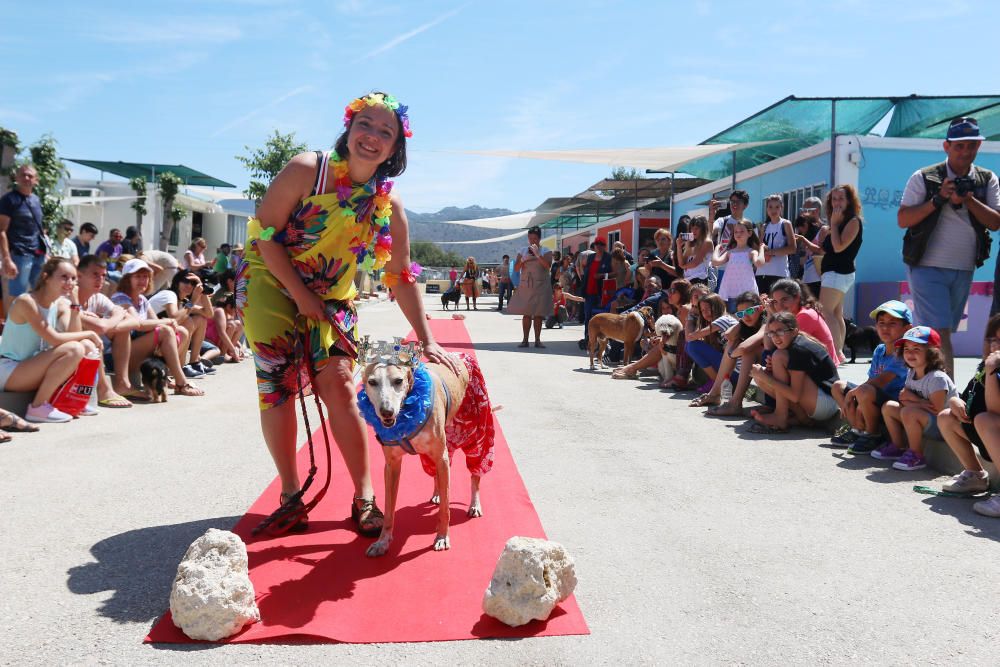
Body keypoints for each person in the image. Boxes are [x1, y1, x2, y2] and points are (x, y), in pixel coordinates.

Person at [238, 91, 456, 537]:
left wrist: (428, 338)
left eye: (385, 132)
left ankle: (364, 498)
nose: (372, 137)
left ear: (397, 148)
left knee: (339, 383)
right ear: (348, 128)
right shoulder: (307, 170)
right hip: (271, 281)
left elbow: (400, 277)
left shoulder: (388, 206)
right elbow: (264, 235)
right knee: (277, 386)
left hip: (333, 295)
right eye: (365, 125)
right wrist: (299, 295)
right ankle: (291, 494)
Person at [897, 116, 1000, 378]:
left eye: (971, 145)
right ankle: (947, 400)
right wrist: (939, 198)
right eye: (959, 146)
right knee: (940, 332)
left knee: (941, 333)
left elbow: (995, 222)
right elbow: (903, 219)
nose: (965, 151)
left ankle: (921, 386)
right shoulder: (924, 177)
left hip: (964, 267)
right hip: (926, 265)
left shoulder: (986, 179)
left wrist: (968, 200)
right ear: (946, 147)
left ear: (978, 145)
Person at [0, 258, 105, 424]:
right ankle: (38, 408)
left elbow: (74, 333)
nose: (70, 282)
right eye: (64, 277)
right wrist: (90, 333)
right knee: (75, 349)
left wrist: (75, 304)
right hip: (10, 370)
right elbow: (54, 339)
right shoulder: (26, 302)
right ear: (46, 277)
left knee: (85, 346)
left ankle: (69, 401)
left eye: (73, 278)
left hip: (33, 366)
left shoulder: (59, 304)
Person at [111, 258, 204, 398]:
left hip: (137, 348)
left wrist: (200, 294)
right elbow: (139, 324)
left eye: (145, 277)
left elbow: (208, 314)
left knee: (182, 331)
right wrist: (188, 305)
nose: (143, 280)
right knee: (167, 330)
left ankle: (163, 376)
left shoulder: (142, 300)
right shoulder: (121, 298)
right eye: (137, 276)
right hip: (118, 356)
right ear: (126, 279)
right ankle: (181, 382)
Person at [830, 300, 912, 454]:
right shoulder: (880, 350)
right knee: (838, 386)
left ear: (907, 328)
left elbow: (881, 381)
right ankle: (857, 429)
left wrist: (854, 394)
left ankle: (873, 434)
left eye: (892, 323)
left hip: (892, 402)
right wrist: (855, 396)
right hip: (874, 397)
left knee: (863, 391)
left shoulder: (904, 353)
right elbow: (871, 379)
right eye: (881, 323)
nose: (885, 327)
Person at [937, 314, 1000, 501]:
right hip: (989, 436)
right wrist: (955, 402)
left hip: (993, 430)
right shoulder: (986, 366)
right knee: (946, 417)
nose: (995, 345)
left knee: (984, 419)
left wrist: (992, 371)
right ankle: (976, 476)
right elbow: (970, 396)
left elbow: (995, 411)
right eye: (992, 339)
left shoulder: (992, 368)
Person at [798, 185, 864, 363]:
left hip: (838, 272)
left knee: (826, 312)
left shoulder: (852, 221)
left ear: (849, 201)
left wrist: (833, 225)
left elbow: (839, 246)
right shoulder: (839, 222)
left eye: (841, 198)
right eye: (834, 199)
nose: (837, 203)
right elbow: (825, 249)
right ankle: (839, 353)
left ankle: (835, 354)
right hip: (833, 273)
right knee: (835, 313)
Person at [876, 326, 957, 471]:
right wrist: (915, 402)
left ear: (932, 353)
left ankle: (917, 455)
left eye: (917, 349)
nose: (910, 353)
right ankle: (898, 446)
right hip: (922, 418)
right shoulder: (912, 372)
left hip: (943, 427)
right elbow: (903, 398)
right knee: (889, 407)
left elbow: (936, 409)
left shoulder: (937, 378)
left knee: (909, 412)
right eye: (906, 349)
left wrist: (914, 400)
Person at [748, 311, 841, 434]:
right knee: (761, 375)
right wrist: (770, 371)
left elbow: (794, 395)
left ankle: (780, 418)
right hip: (817, 402)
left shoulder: (799, 348)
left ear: (794, 331)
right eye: (772, 333)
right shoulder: (791, 344)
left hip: (826, 403)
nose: (775, 337)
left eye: (780, 331)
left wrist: (766, 377)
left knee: (771, 366)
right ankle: (802, 417)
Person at [74, 255, 139, 408]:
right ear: (79, 276)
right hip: (67, 351)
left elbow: (134, 321)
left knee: (120, 330)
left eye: (103, 275)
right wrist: (109, 321)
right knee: (93, 335)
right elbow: (101, 328)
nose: (100, 279)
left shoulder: (98, 298)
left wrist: (105, 323)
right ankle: (103, 390)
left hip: (89, 351)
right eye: (95, 274)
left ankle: (122, 383)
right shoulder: (68, 297)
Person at [701, 292, 767, 417]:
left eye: (749, 311)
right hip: (764, 369)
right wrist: (741, 320)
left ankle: (735, 403)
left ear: (760, 308)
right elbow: (728, 335)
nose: (746, 317)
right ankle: (715, 393)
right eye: (741, 313)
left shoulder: (766, 320)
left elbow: (746, 347)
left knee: (747, 351)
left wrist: (732, 354)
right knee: (732, 342)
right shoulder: (746, 323)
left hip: (779, 369)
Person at [0, 165, 49, 307]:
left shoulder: (36, 200)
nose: (26, 178)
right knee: (17, 295)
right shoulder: (9, 200)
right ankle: (11, 327)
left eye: (30, 176)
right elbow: (1, 230)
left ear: (36, 180)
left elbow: (38, 229)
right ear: (16, 178)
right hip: (19, 255)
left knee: (40, 292)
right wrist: (7, 259)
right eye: (23, 175)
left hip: (38, 254)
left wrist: (46, 252)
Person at [508, 225, 554, 348]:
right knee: (526, 313)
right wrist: (523, 259)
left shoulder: (546, 251)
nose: (532, 240)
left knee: (538, 314)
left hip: (541, 285)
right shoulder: (522, 251)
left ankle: (538, 340)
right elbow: (516, 268)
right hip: (526, 285)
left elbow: (548, 266)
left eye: (534, 238)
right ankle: (525, 340)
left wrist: (538, 255)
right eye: (530, 238)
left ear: (539, 239)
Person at [685, 294, 736, 402]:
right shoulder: (716, 323)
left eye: (709, 308)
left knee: (692, 346)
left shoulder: (724, 319)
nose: (706, 312)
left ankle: (717, 385)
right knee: (690, 346)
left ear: (718, 306)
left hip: (737, 371)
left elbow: (690, 337)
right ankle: (718, 385)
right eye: (702, 310)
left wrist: (689, 318)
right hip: (730, 369)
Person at [712, 220, 764, 312]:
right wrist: (716, 249)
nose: (738, 234)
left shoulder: (751, 252)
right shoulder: (730, 252)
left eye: (742, 231)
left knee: (747, 317)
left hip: (747, 293)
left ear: (749, 233)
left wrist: (761, 248)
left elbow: (759, 263)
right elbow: (715, 262)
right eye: (736, 232)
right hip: (731, 292)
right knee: (732, 318)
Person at [755, 194, 795, 294]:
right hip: (762, 272)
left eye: (777, 207)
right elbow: (759, 247)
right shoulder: (764, 226)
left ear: (781, 208)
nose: (773, 210)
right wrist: (763, 252)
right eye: (770, 207)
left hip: (779, 273)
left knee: (778, 306)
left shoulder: (785, 224)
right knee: (763, 307)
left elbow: (793, 248)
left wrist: (771, 252)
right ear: (767, 209)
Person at [580, 237, 611, 344]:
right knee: (588, 317)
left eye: (601, 244)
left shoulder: (608, 257)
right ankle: (587, 339)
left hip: (601, 293)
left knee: (602, 318)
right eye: (597, 243)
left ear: (604, 246)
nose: (598, 246)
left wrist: (602, 275)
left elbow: (615, 273)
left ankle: (602, 341)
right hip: (589, 292)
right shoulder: (591, 257)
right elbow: (586, 273)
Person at [797, 197, 825, 297]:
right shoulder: (806, 230)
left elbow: (822, 251)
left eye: (806, 210)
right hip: (806, 279)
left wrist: (804, 240)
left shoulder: (825, 229)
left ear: (816, 211)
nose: (803, 213)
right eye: (802, 210)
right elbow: (802, 256)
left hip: (820, 279)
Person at [675, 215, 713, 286]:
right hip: (688, 280)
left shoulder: (707, 242)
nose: (693, 231)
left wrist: (684, 266)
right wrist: (679, 247)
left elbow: (695, 263)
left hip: (700, 280)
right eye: (691, 228)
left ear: (703, 229)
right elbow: (681, 263)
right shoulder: (690, 243)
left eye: (697, 228)